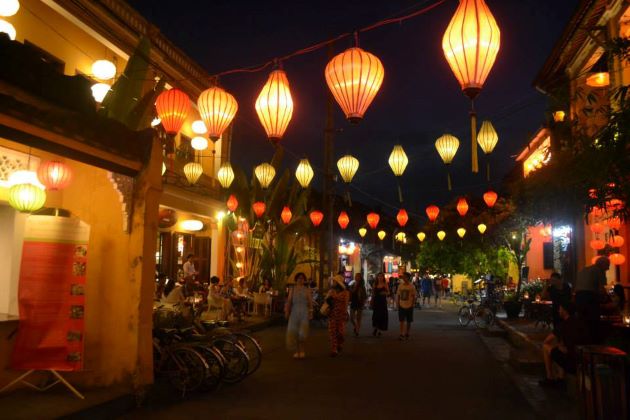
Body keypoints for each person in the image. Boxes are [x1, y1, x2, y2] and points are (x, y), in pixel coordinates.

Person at [539, 302, 590, 387]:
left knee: (546, 347)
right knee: (560, 348)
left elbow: (547, 340)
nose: (558, 311)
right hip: (583, 359)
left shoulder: (563, 325)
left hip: (573, 362)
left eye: (560, 309)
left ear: (564, 311)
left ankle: (549, 377)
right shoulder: (580, 322)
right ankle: (560, 378)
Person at [575, 257, 610, 341]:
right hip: (590, 297)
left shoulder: (584, 269)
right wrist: (607, 299)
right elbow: (602, 289)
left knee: (582, 321)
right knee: (593, 321)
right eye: (608, 265)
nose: (608, 268)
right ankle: (594, 341)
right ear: (603, 264)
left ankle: (582, 341)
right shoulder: (599, 271)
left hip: (578, 297)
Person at [285, 272, 313, 359]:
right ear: (296, 279)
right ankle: (297, 351)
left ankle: (302, 351)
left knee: (302, 333)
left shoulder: (307, 289)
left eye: (302, 278)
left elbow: (310, 302)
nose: (300, 280)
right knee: (295, 332)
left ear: (304, 280)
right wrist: (287, 311)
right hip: (294, 312)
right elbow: (289, 301)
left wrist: (311, 312)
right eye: (299, 278)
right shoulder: (292, 289)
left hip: (304, 312)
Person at [327, 275, 350, 356]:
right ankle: (334, 349)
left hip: (341, 313)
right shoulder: (331, 291)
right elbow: (326, 301)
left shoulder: (345, 292)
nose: (333, 283)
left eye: (335, 281)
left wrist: (346, 312)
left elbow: (346, 303)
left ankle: (339, 344)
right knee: (332, 331)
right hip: (332, 313)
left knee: (341, 333)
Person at [396, 272, 416, 340]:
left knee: (409, 321)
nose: (404, 278)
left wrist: (413, 304)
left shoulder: (412, 286)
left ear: (408, 278)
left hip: (409, 305)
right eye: (403, 277)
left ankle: (407, 333)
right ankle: (401, 333)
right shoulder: (400, 286)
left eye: (405, 277)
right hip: (401, 305)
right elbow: (398, 295)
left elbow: (414, 296)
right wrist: (397, 304)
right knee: (401, 320)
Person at [371, 272, 389, 336]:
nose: (380, 277)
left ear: (383, 277)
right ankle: (376, 328)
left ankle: (379, 330)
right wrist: (372, 301)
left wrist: (384, 293)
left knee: (382, 316)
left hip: (382, 302)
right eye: (379, 276)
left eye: (381, 276)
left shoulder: (385, 284)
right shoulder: (375, 284)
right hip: (376, 301)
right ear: (377, 277)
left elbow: (388, 292)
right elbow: (373, 293)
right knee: (376, 316)